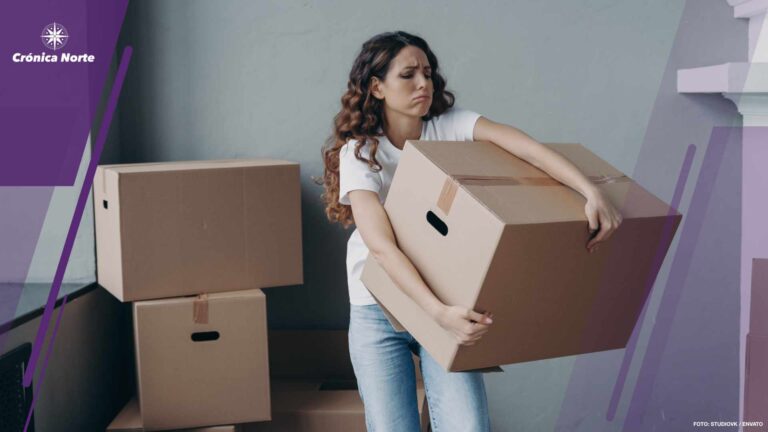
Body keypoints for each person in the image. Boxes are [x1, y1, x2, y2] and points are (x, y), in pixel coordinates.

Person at [321, 31, 622, 432]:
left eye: (427, 73)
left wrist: (590, 191)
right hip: (379, 304)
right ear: (377, 86)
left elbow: (527, 148)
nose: (424, 84)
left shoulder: (449, 126)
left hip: (447, 295)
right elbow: (381, 247)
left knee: (468, 426)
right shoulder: (360, 152)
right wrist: (436, 313)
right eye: (408, 75)